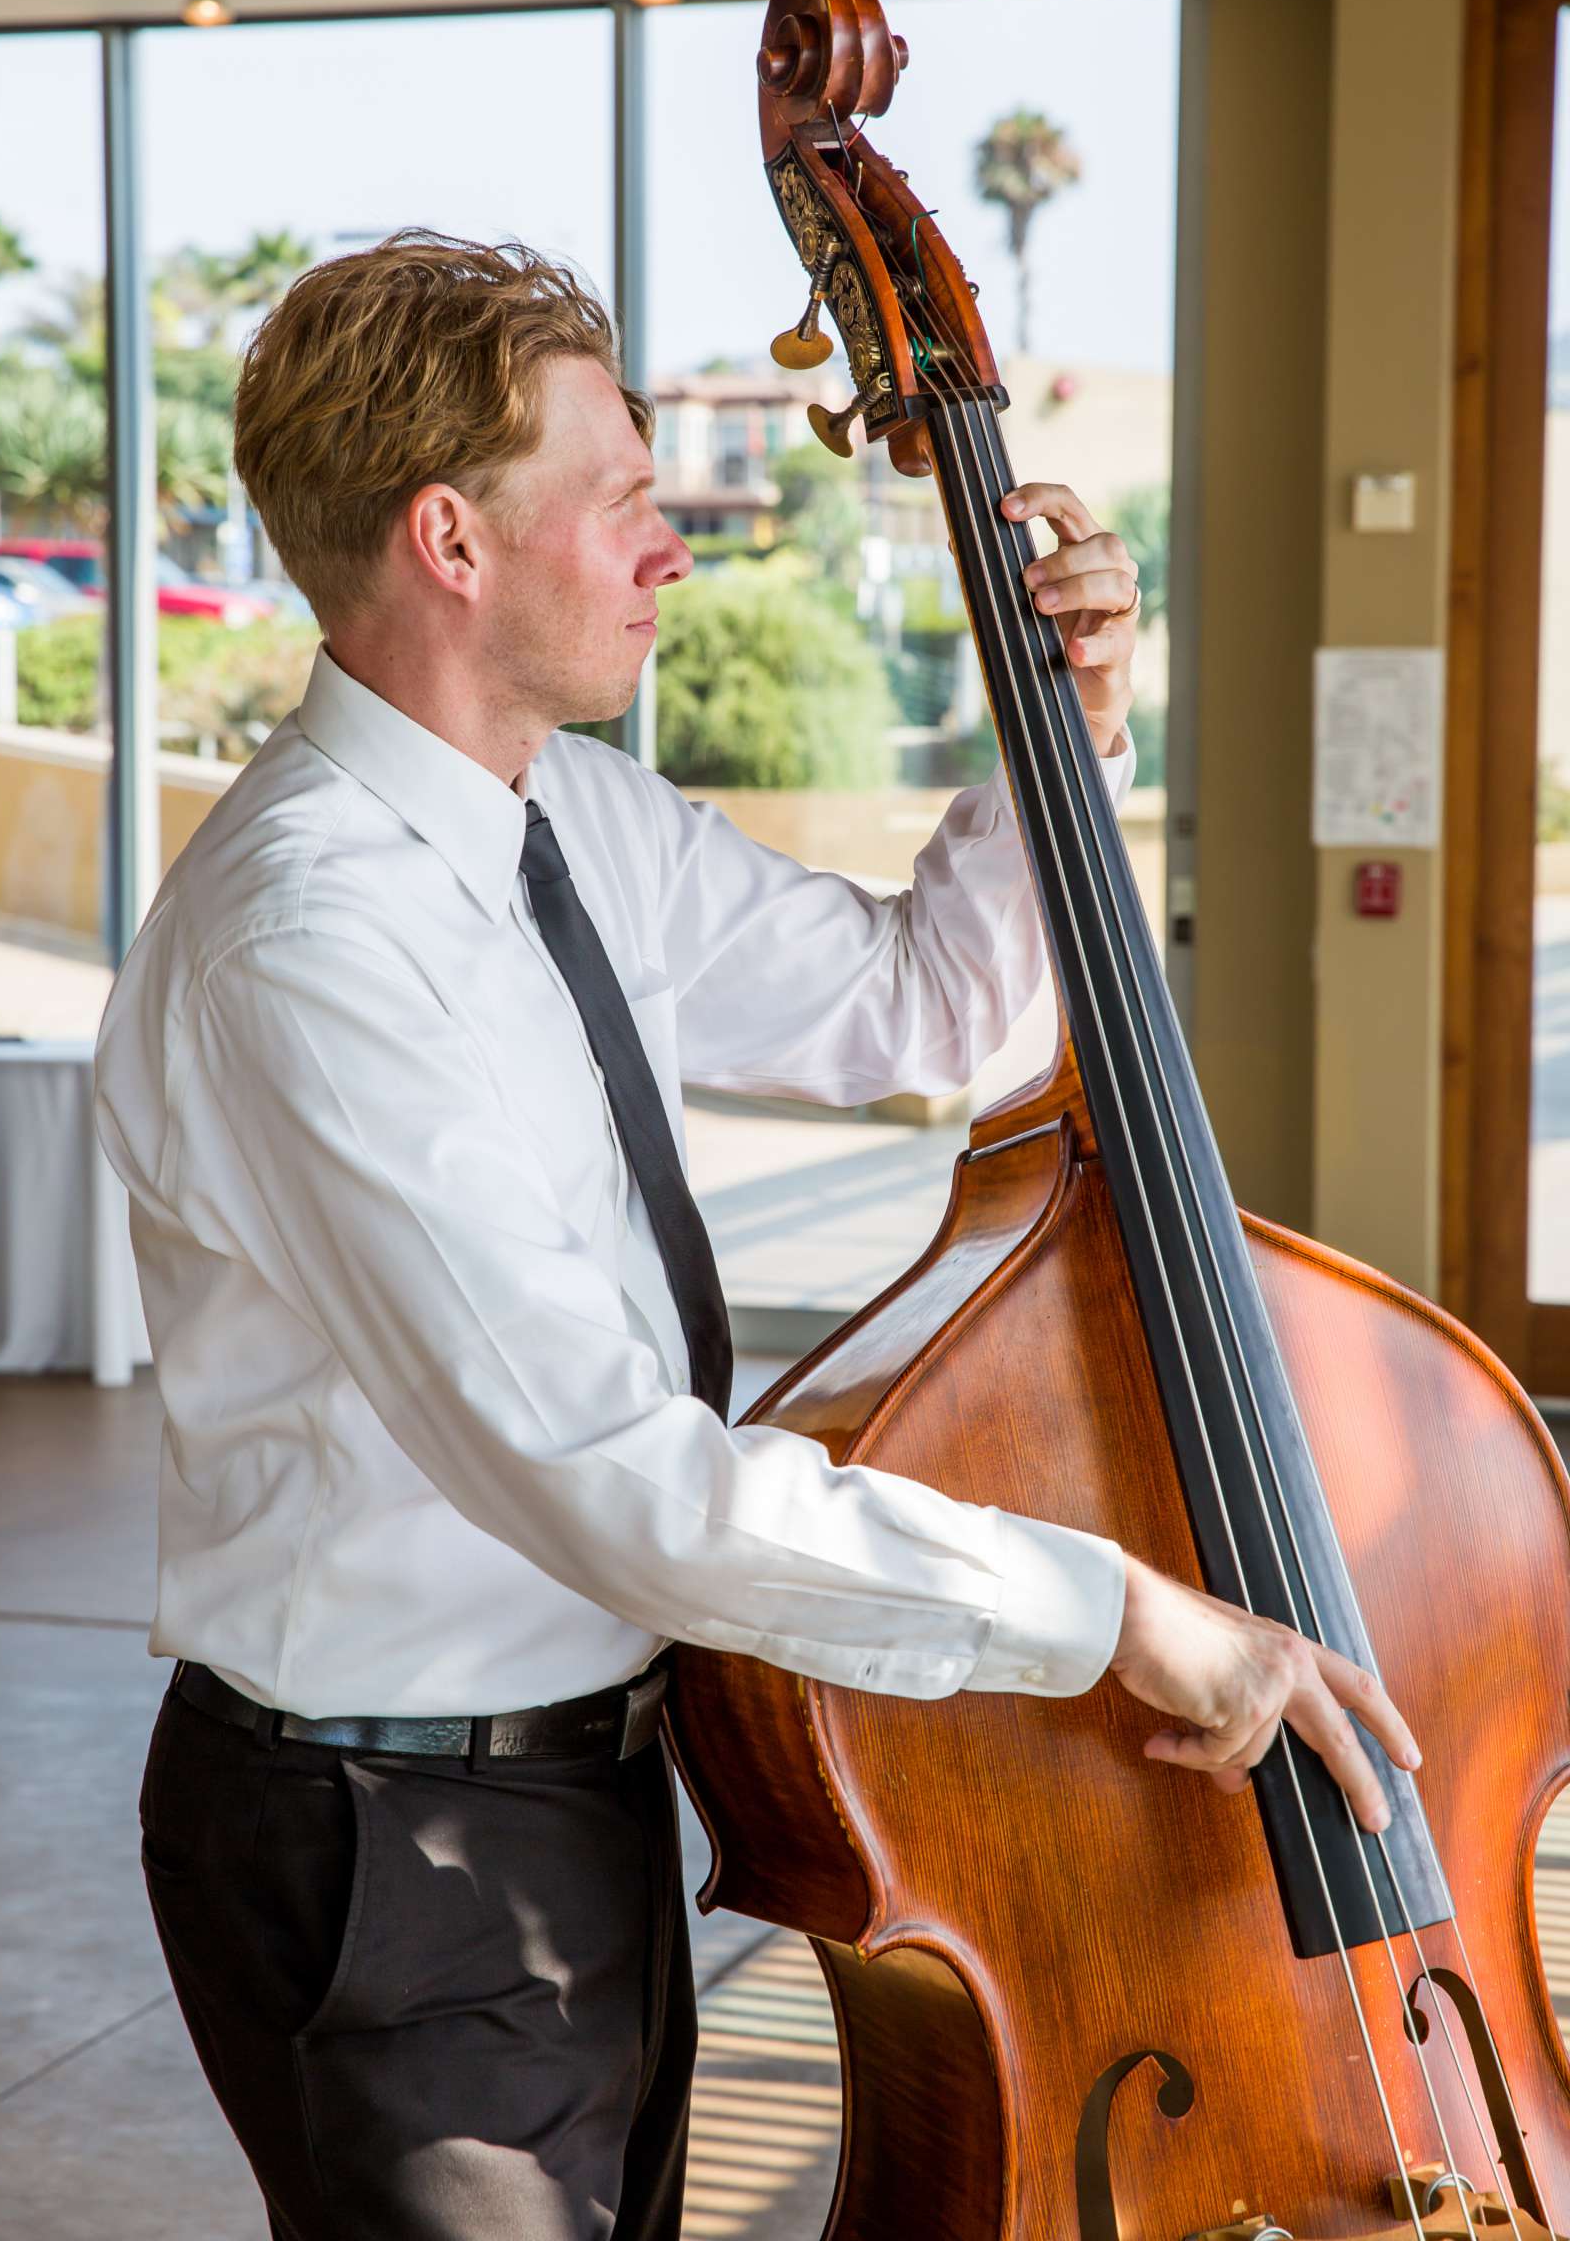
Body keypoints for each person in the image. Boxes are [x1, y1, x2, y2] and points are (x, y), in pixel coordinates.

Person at [94, 231, 1418, 2241]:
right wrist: (1116, 1611)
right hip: (386, 1834)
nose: (668, 547)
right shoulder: (315, 942)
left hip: (590, 1784)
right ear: (450, 537)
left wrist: (1049, 725)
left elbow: (928, 1013)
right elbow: (619, 1486)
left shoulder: (568, 819)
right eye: (620, 496)